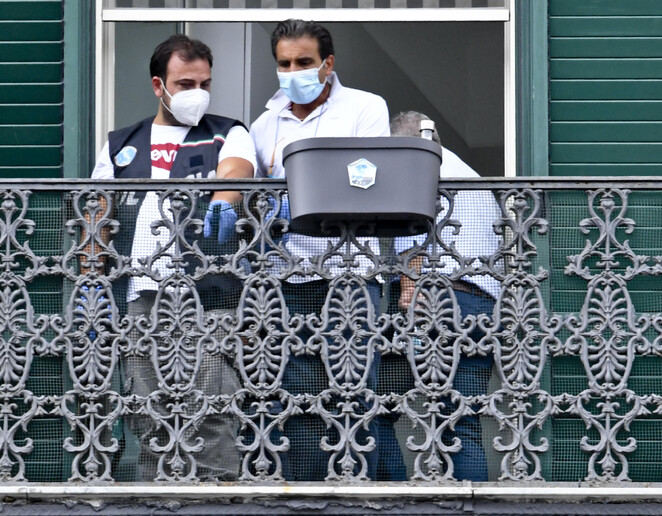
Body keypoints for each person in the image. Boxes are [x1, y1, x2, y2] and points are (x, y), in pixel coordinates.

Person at [90, 34, 256, 481]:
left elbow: (237, 170)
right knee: (147, 409)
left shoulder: (227, 130)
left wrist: (223, 201)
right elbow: (97, 216)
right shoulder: (121, 143)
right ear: (158, 85)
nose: (196, 94)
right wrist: (91, 280)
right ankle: (155, 496)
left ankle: (217, 498)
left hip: (205, 293)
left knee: (212, 405)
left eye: (204, 83)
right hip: (137, 294)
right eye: (185, 84)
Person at [249, 19, 390, 481]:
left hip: (350, 277)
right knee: (294, 398)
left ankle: (356, 495)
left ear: (327, 65)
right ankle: (305, 493)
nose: (293, 71)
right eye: (284, 63)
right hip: (284, 280)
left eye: (304, 62)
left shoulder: (366, 108)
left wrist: (297, 193)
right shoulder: (265, 123)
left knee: (351, 393)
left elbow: (367, 181)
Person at [390, 111, 501, 481]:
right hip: (481, 303)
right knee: (462, 419)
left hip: (440, 301)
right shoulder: (469, 174)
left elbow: (414, 223)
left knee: (384, 408)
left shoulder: (421, 162)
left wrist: (409, 281)